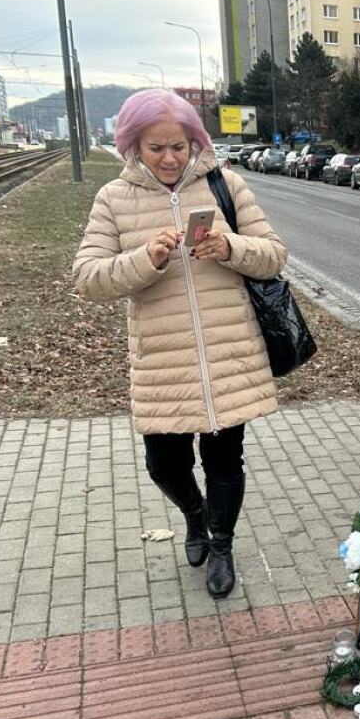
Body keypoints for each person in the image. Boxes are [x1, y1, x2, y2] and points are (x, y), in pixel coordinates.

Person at [73, 89, 287, 599]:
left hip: (227, 353)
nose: (170, 158)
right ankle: (194, 514)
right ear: (133, 147)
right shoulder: (114, 200)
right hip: (162, 362)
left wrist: (231, 247)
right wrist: (145, 258)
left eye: (180, 146)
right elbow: (87, 277)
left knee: (224, 462)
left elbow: (274, 255)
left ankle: (221, 545)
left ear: (195, 142)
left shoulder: (225, 184)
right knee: (163, 464)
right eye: (156, 148)